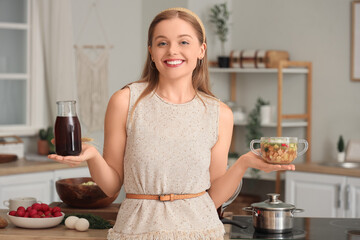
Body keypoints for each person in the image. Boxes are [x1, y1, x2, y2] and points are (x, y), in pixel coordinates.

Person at [48, 7, 295, 240]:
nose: (172, 51)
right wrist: (92, 155)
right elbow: (112, 187)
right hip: (137, 231)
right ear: (151, 52)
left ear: (201, 50)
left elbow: (215, 197)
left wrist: (243, 163)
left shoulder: (219, 113)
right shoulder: (125, 101)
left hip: (201, 231)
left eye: (184, 42)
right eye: (162, 43)